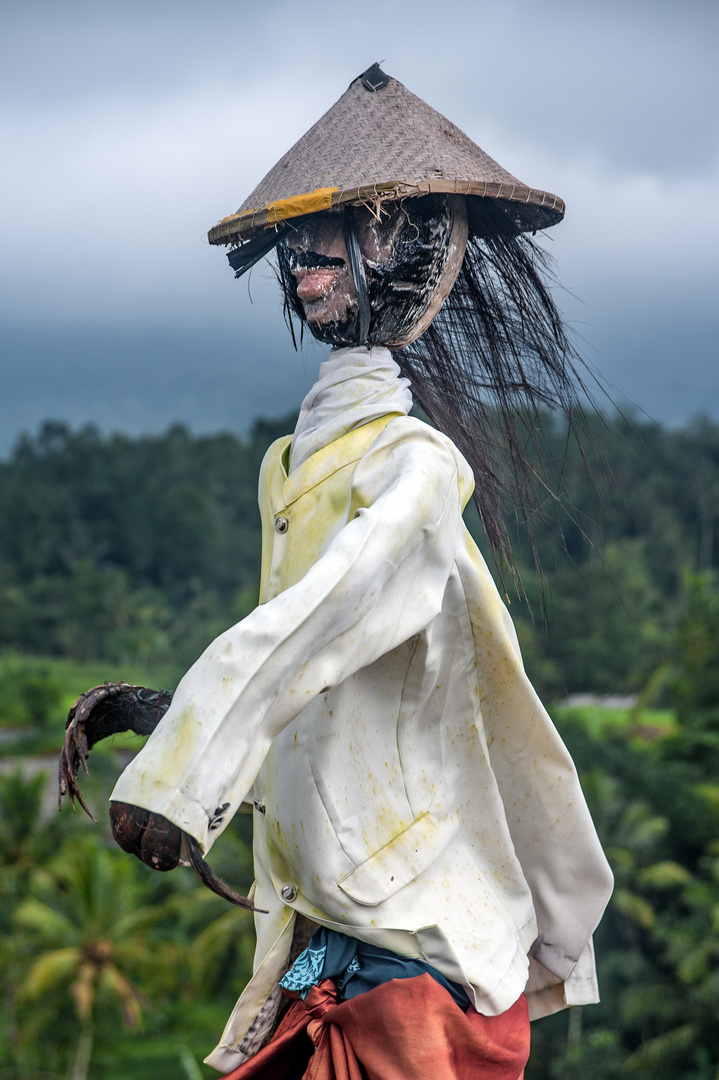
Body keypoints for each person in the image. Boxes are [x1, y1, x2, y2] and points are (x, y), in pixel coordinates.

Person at [63, 66, 613, 1079]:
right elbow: (318, 662)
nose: (306, 268)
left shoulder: (411, 469)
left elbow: (324, 617)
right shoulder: (291, 463)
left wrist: (185, 772)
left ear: (404, 253)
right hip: (324, 928)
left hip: (400, 947)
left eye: (334, 245)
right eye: (301, 249)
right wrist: (171, 711)